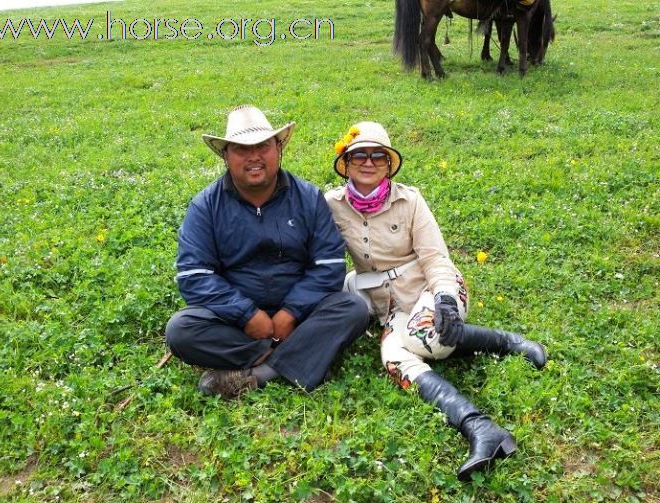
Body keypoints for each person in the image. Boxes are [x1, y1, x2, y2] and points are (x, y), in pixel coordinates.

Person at [324, 121, 547, 481]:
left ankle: (506, 342)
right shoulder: (331, 205)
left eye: (377, 155)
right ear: (346, 164)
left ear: (389, 164)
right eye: (359, 155)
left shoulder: (410, 200)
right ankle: (479, 427)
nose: (368, 162)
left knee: (424, 337)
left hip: (431, 288)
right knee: (393, 358)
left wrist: (444, 299)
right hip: (391, 307)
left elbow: (435, 258)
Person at [165, 105, 369, 399]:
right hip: (235, 322)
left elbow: (329, 264)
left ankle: (261, 374)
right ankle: (298, 356)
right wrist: (247, 315)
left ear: (279, 148)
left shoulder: (308, 198)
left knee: (353, 309)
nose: (254, 157)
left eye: (262, 146)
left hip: (300, 317)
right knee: (181, 330)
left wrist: (290, 312)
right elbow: (194, 275)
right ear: (226, 155)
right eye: (241, 149)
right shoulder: (205, 206)